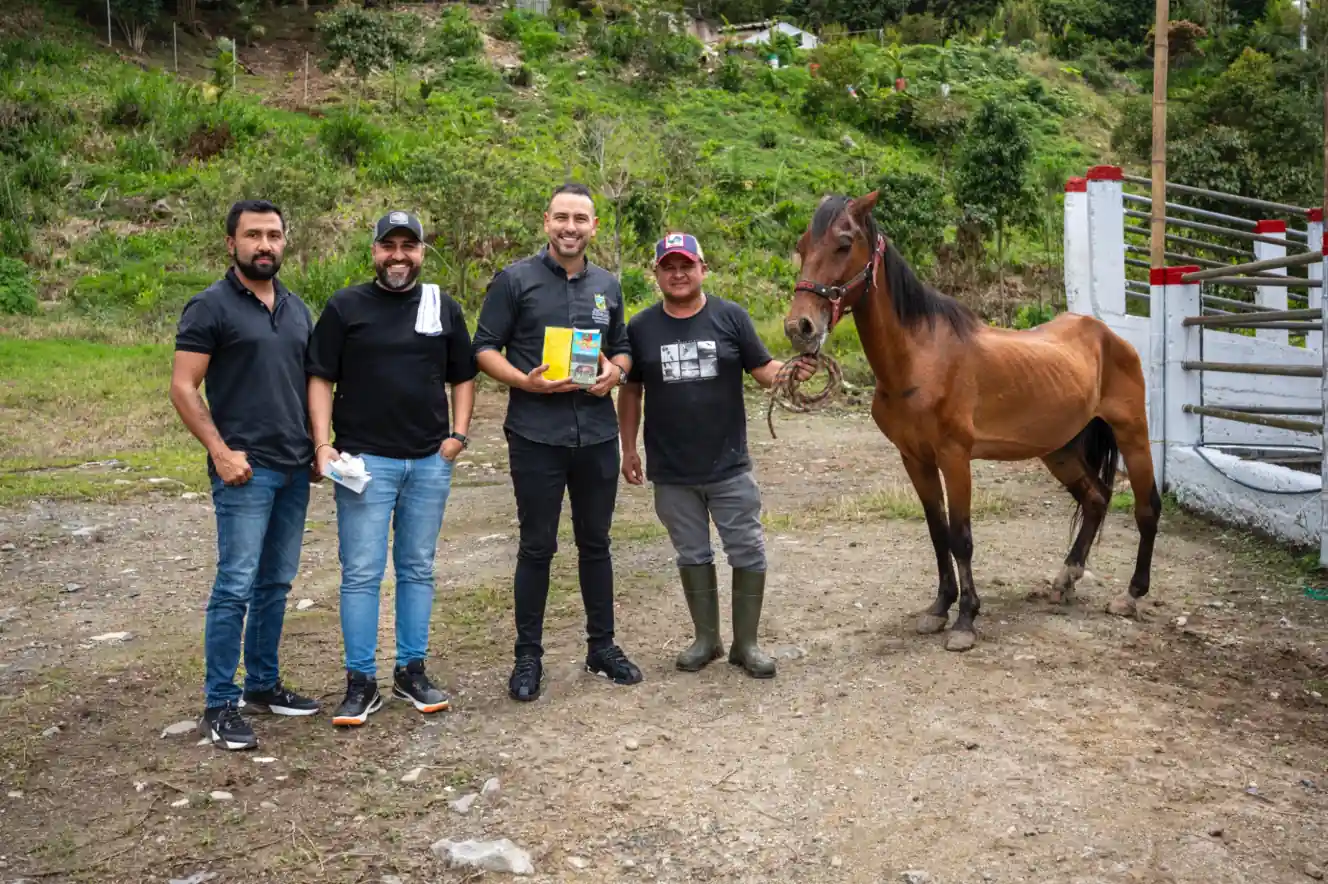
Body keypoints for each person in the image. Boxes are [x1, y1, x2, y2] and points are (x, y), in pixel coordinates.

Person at [306, 210, 477, 727]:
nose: (399, 256)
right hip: (364, 462)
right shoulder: (345, 306)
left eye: (410, 246)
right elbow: (320, 377)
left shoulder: (440, 305)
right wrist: (321, 444)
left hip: (429, 460)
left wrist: (458, 435)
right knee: (361, 573)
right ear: (375, 251)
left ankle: (411, 670)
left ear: (423, 251)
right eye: (389, 246)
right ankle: (361, 682)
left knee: (417, 567)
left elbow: (463, 373)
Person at [617, 232, 814, 679]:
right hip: (671, 470)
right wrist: (628, 447)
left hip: (728, 465)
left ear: (703, 268)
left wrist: (788, 374)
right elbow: (630, 392)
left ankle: (746, 645)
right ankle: (706, 640)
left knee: (746, 550)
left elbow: (762, 368)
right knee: (691, 552)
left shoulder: (730, 317)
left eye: (687, 264)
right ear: (657, 275)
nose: (679, 273)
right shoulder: (641, 327)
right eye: (669, 266)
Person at [472, 182, 641, 702]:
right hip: (535, 434)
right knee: (537, 545)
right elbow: (484, 348)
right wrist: (524, 381)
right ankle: (528, 657)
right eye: (562, 217)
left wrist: (615, 371)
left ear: (593, 227)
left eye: (581, 220)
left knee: (597, 543)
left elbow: (624, 348)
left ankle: (602, 647)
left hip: (595, 434)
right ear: (546, 221)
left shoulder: (607, 285)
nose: (571, 228)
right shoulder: (515, 280)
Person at [170, 199, 321, 752]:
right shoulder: (210, 306)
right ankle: (219, 703)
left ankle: (262, 685)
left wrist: (319, 446)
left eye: (274, 235)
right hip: (244, 470)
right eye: (253, 235)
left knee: (275, 582)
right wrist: (220, 450)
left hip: (294, 466)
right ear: (230, 243)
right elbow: (183, 387)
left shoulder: (298, 309)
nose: (265, 244)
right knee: (235, 584)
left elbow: (312, 385)